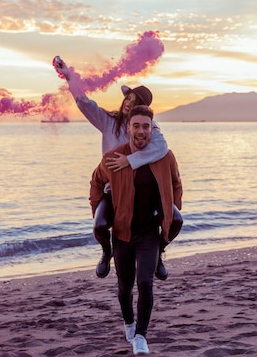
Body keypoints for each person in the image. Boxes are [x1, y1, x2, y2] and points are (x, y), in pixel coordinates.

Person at [53, 56, 182, 280]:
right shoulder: (108, 122)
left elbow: (162, 147)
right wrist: (69, 76)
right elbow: (85, 102)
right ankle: (106, 252)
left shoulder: (149, 129)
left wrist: (129, 161)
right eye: (128, 98)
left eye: (135, 101)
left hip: (143, 193)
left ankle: (159, 253)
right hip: (114, 191)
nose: (129, 103)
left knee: (176, 220)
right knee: (100, 226)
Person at [90, 104, 183, 355]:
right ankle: (128, 321)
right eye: (136, 126)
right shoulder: (113, 157)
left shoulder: (165, 157)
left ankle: (141, 336)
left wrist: (169, 210)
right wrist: (101, 210)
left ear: (152, 130)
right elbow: (96, 182)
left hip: (148, 234)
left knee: (145, 282)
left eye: (146, 126)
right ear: (128, 128)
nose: (141, 131)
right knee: (124, 286)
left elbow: (176, 183)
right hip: (121, 232)